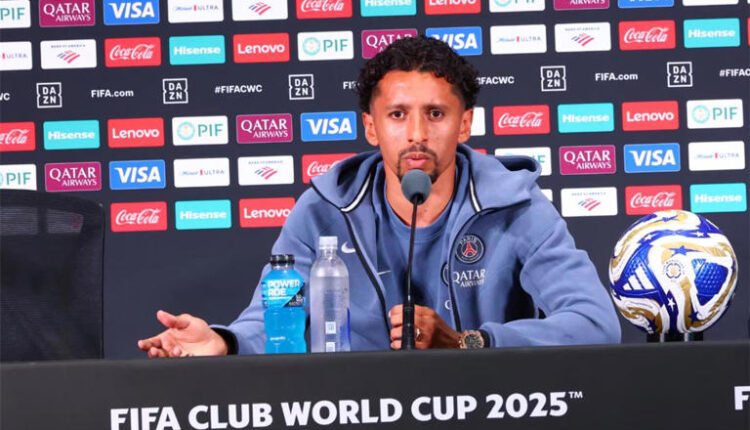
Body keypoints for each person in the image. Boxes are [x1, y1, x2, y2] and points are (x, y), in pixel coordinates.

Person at [138, 36, 621, 357]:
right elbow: (273, 320)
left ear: (465, 125)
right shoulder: (324, 210)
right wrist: (223, 341)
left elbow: (595, 323)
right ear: (371, 127)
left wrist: (468, 343)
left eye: (435, 114)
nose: (417, 134)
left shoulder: (515, 206)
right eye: (397, 115)